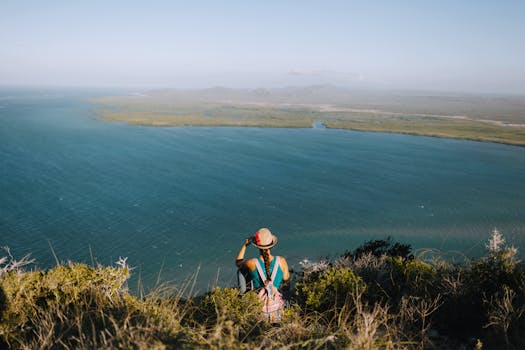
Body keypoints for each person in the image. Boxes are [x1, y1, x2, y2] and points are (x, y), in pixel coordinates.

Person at [235, 228, 290, 293]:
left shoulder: (252, 263)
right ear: (271, 244)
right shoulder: (281, 261)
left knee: (240, 271)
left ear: (257, 246)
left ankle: (243, 296)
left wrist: (245, 245)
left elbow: (238, 262)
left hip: (258, 301)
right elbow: (287, 285)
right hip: (277, 301)